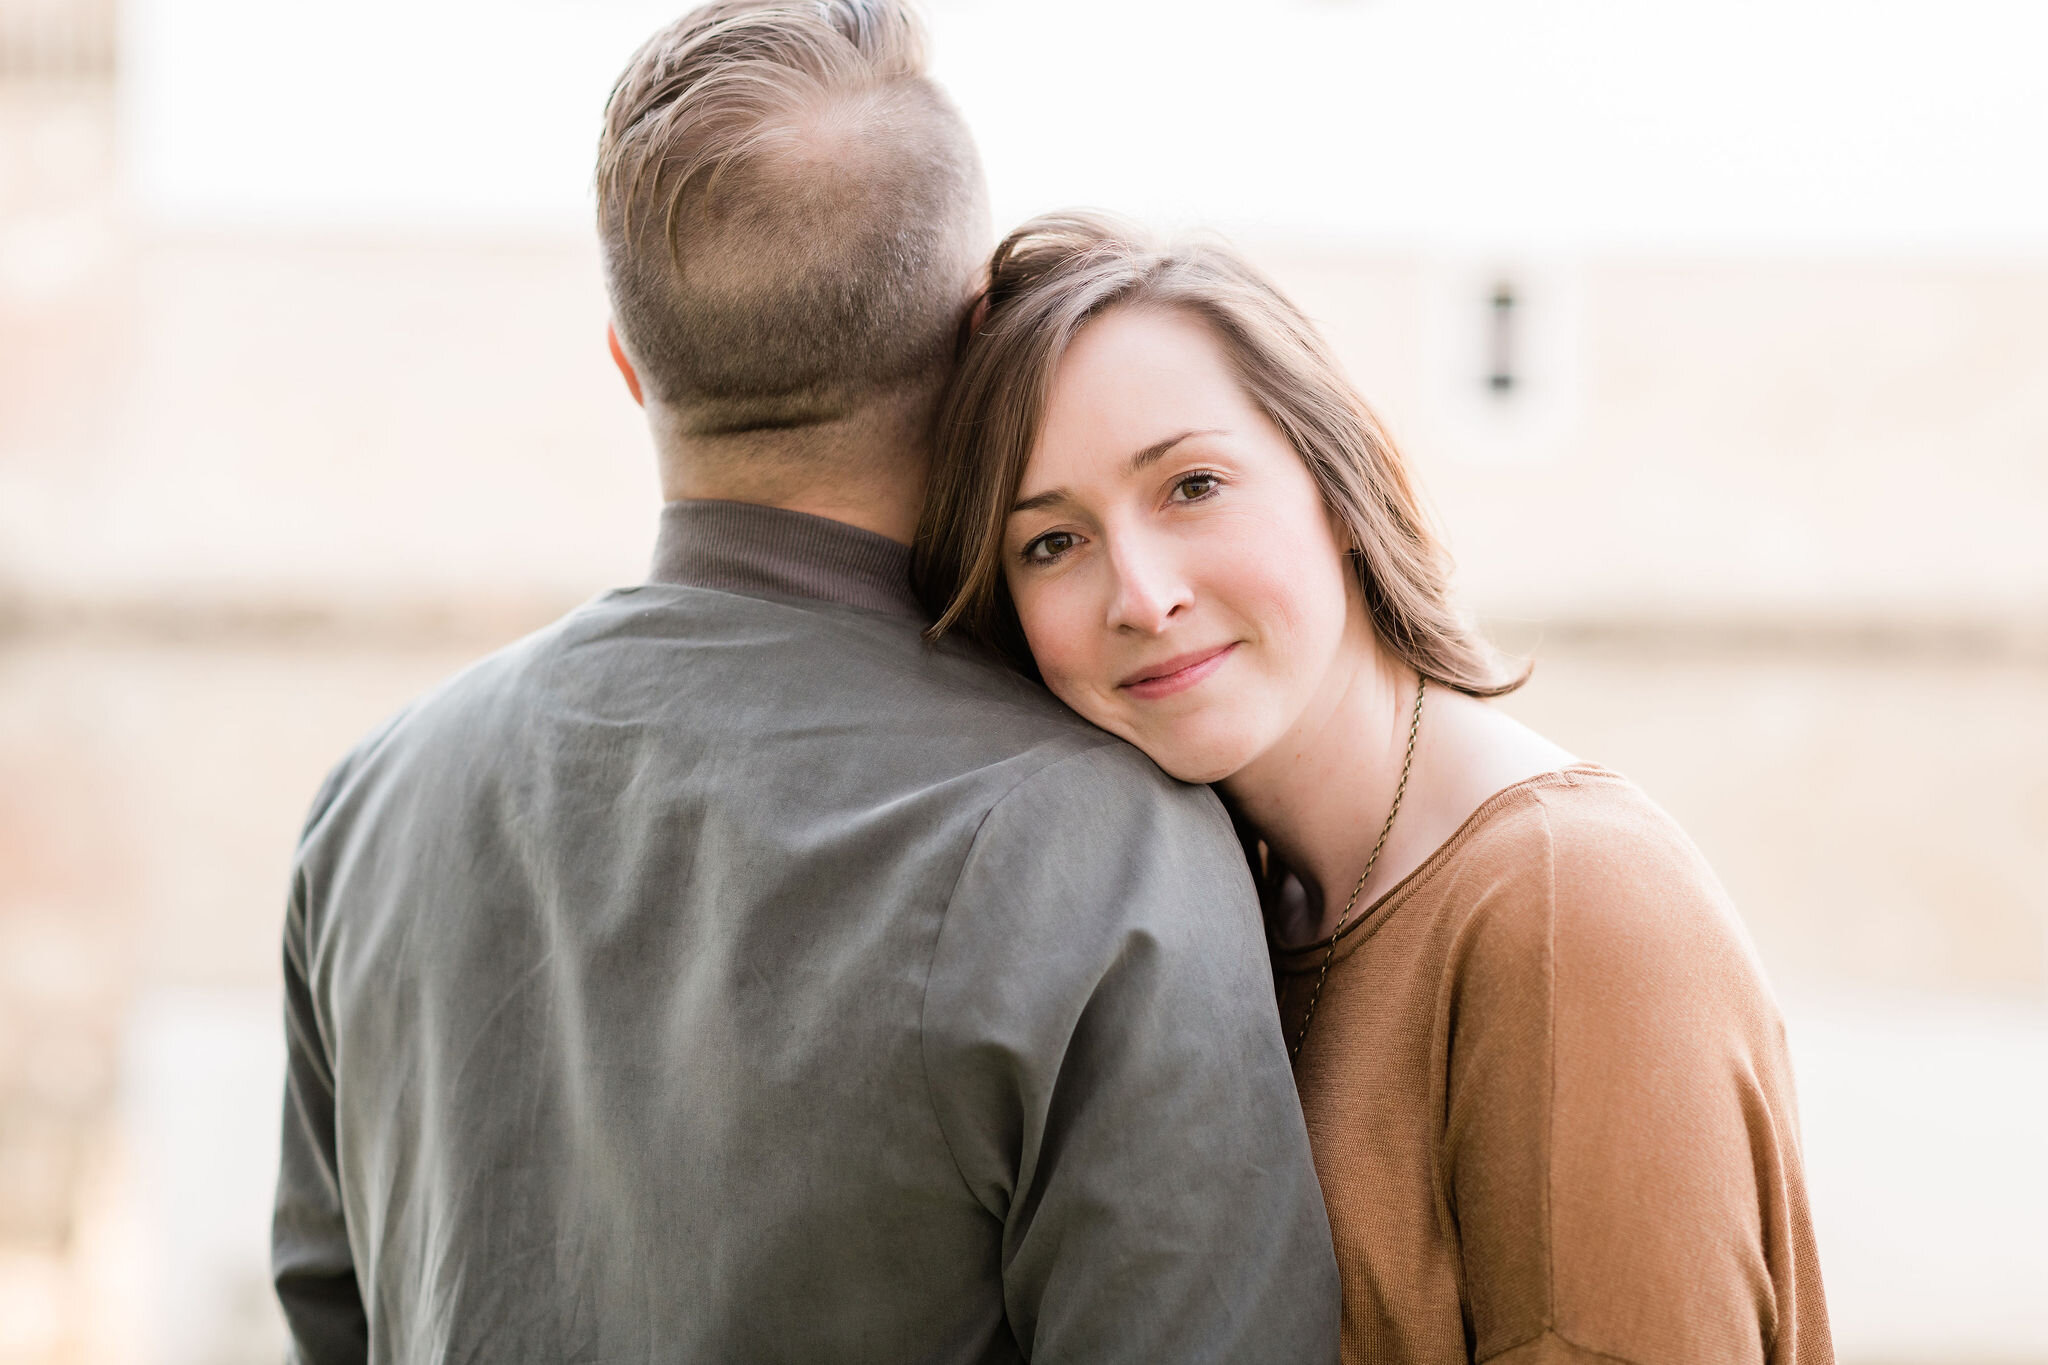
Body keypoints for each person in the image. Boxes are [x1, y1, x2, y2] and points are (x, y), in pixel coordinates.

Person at [270, 10, 1340, 1362]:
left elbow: (329, 1314)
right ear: (974, 339)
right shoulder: (1106, 850)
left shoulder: (369, 803)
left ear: (626, 360)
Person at [918, 213, 1833, 1364]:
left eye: (1192, 485)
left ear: (1340, 489)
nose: (1140, 596)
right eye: (1050, 543)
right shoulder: (1232, 905)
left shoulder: (1566, 907)